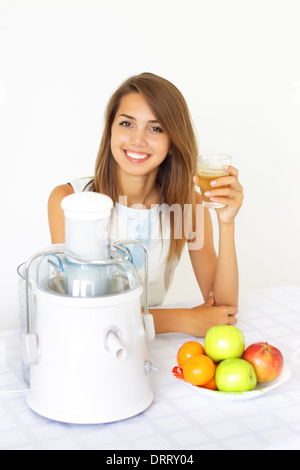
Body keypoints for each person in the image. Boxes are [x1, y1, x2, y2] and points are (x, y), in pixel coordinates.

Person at [48, 72, 244, 337]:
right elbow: (86, 315)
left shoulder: (187, 206)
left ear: (172, 142)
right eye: (127, 124)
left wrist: (226, 223)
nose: (137, 140)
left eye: (155, 128)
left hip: (151, 348)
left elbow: (223, 310)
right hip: (92, 350)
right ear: (110, 130)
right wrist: (182, 320)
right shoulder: (68, 202)